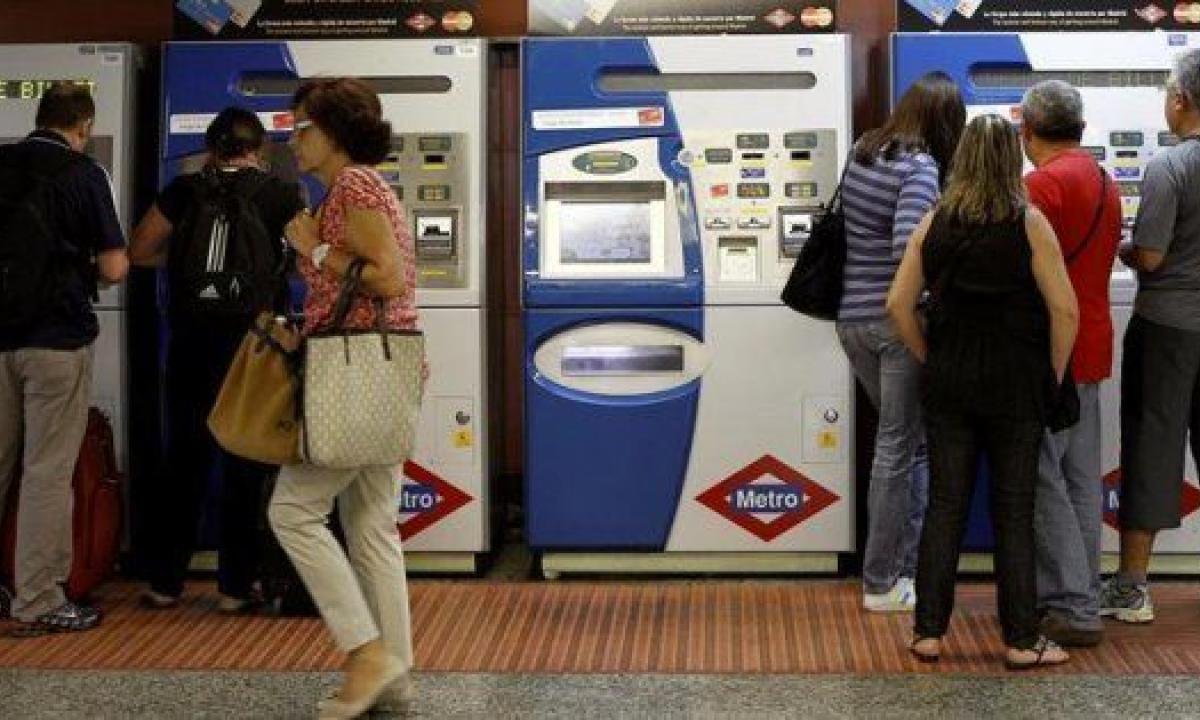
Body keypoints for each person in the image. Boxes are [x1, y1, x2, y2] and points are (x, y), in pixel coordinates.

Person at [887, 114, 1080, 669]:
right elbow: (1064, 309)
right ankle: (1021, 639)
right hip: (1016, 380)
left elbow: (898, 305)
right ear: (1011, 159)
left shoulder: (935, 221)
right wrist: (1053, 373)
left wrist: (931, 355)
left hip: (949, 379)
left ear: (964, 157)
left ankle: (927, 632)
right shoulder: (1029, 223)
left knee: (946, 504)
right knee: (1014, 509)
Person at [268, 78, 416, 719]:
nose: (294, 139)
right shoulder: (356, 187)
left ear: (334, 132)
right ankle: (396, 675)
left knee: (293, 512)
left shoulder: (354, 186)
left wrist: (313, 248)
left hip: (353, 373)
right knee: (371, 525)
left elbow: (387, 276)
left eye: (303, 128)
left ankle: (366, 653)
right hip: (383, 369)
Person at [129, 108, 305, 613]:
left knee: (182, 457)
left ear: (210, 149)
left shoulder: (183, 191)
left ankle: (164, 582)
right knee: (245, 458)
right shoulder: (279, 194)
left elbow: (140, 250)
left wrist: (188, 264)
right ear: (260, 149)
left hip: (188, 341)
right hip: (251, 348)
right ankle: (234, 587)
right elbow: (306, 261)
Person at [0, 83, 129, 633]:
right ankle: (37, 599)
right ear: (82, 127)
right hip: (56, 341)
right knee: (46, 472)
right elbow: (114, 266)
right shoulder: (84, 173)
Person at [837, 71, 964, 612]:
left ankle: (903, 569)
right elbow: (906, 253)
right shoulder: (920, 168)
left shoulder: (864, 151)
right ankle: (883, 581)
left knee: (905, 445)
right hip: (895, 324)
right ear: (944, 123)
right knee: (898, 448)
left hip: (853, 321)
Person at [1019, 80, 1121, 647]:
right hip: (1094, 342)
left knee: (1043, 478)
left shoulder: (1041, 186)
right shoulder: (1106, 179)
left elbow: (1024, 272)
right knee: (1083, 481)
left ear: (1027, 130)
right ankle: (1084, 594)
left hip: (1051, 350)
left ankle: (1067, 603)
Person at [1102, 48, 1200, 624]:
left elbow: (1153, 255)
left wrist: (1121, 249)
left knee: (1152, 449)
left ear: (1180, 99)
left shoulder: (1170, 167)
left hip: (1167, 328)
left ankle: (1133, 587)